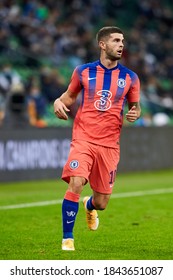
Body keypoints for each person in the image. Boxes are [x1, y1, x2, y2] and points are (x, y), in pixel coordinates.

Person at [54, 26, 141, 251]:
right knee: (76, 181)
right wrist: (58, 102)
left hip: (109, 144)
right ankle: (67, 239)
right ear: (102, 45)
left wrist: (135, 113)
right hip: (83, 138)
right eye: (115, 40)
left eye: (122, 40)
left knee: (101, 202)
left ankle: (89, 206)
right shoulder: (83, 71)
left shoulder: (130, 77)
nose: (121, 44)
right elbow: (69, 97)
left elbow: (135, 107)